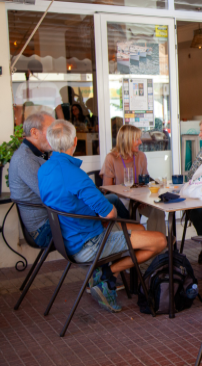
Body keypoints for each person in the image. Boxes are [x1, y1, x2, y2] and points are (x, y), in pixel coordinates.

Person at [38, 120, 166, 313]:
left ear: (50, 144)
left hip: (67, 239)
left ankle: (103, 274)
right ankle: (107, 274)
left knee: (139, 229)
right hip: (89, 244)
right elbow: (110, 212)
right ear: (74, 142)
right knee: (160, 241)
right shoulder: (75, 174)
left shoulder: (44, 170)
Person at [101, 125, 167, 235]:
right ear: (127, 140)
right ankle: (139, 242)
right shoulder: (111, 158)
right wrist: (132, 197)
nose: (140, 142)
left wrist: (142, 198)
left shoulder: (141, 156)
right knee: (134, 216)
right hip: (120, 201)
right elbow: (108, 190)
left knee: (158, 210)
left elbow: (145, 182)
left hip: (139, 199)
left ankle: (157, 245)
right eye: (137, 139)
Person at [9, 112, 55, 247]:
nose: (55, 137)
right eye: (51, 131)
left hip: (53, 220)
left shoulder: (39, 155)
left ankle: (100, 265)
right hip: (44, 229)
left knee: (106, 209)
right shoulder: (25, 159)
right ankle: (104, 266)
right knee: (106, 211)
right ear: (34, 132)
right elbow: (51, 195)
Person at [13, 59, 64, 125]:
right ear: (42, 70)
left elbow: (19, 109)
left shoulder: (22, 86)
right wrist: (63, 126)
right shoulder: (53, 86)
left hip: (31, 125)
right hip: (49, 124)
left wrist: (18, 129)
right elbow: (58, 108)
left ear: (28, 70)